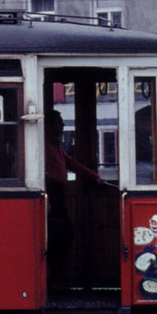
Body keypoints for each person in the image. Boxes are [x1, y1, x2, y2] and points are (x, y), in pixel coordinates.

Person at [45, 110, 100, 285]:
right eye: (59, 122)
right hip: (51, 194)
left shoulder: (55, 145)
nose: (62, 126)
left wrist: (95, 177)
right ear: (50, 124)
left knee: (62, 235)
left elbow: (72, 163)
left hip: (57, 193)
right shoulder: (45, 145)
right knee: (58, 235)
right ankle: (49, 278)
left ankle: (53, 277)